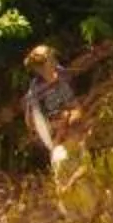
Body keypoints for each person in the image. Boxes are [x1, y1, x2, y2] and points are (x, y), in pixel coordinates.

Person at [22, 43, 83, 174]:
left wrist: (70, 118)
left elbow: (75, 106)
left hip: (72, 134)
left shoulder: (61, 77)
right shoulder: (35, 92)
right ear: (40, 68)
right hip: (57, 141)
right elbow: (33, 123)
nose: (54, 59)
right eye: (50, 58)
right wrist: (59, 129)